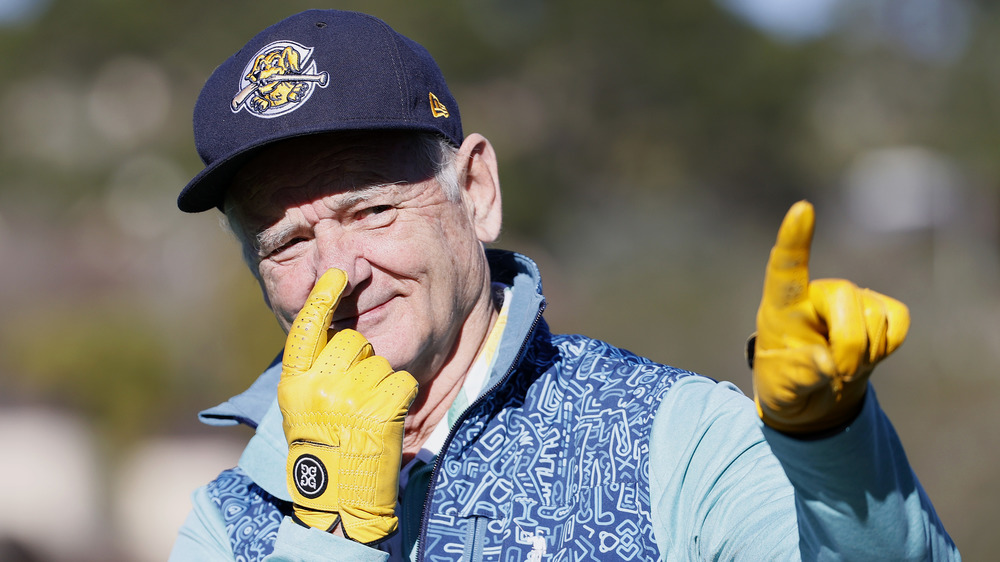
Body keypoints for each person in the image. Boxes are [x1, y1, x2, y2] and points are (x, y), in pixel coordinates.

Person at [169, 9, 959, 561]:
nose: (335, 275)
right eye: (288, 242)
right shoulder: (228, 521)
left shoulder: (673, 438)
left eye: (372, 209)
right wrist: (330, 534)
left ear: (475, 190)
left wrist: (833, 446)